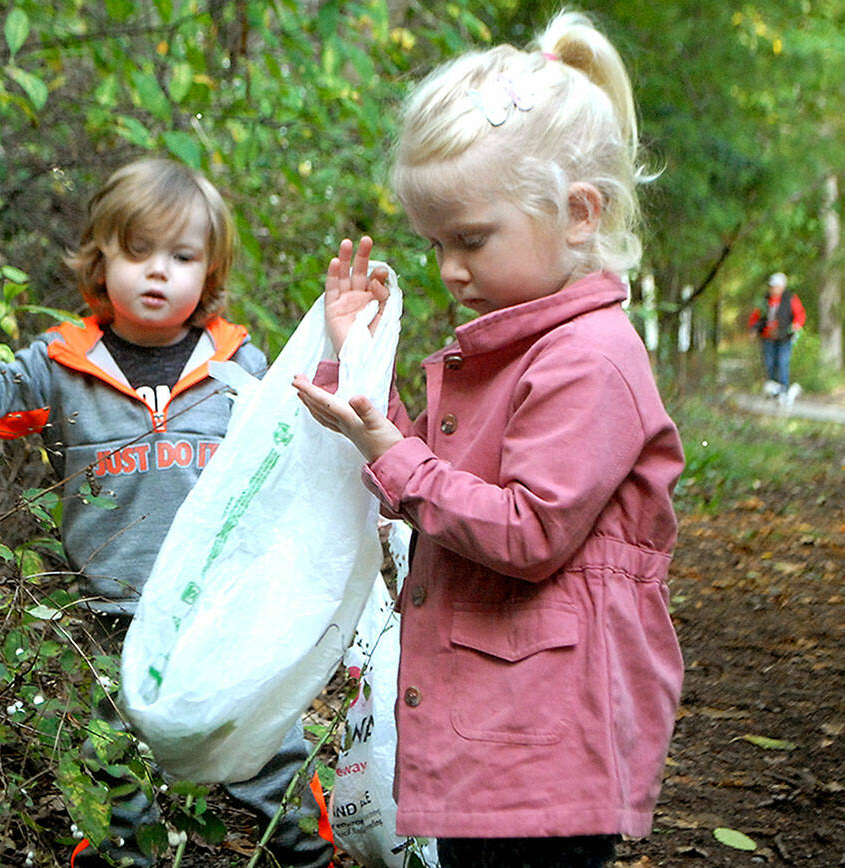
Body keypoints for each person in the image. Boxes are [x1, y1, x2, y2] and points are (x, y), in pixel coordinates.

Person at [0, 157, 331, 868]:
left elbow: (303, 452)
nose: (158, 272)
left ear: (211, 270)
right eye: (137, 251)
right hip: (112, 613)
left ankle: (306, 856)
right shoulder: (62, 364)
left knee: (267, 744)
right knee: (107, 767)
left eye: (182, 256)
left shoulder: (241, 363)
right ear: (100, 260)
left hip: (219, 609)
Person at [292, 12, 685, 868]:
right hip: (496, 732)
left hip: (548, 748)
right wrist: (349, 363)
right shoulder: (509, 348)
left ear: (579, 213)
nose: (449, 271)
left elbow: (526, 529)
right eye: (436, 244)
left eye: (470, 240)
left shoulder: (589, 360)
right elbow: (419, 471)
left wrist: (389, 451)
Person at [748, 272, 805, 405]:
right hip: (768, 337)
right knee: (769, 363)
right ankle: (773, 391)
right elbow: (756, 317)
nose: (774, 289)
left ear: (783, 286)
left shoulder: (790, 298)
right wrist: (754, 329)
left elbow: (800, 315)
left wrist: (796, 326)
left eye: (777, 286)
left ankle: (784, 392)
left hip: (784, 337)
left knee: (783, 363)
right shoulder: (764, 300)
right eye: (772, 286)